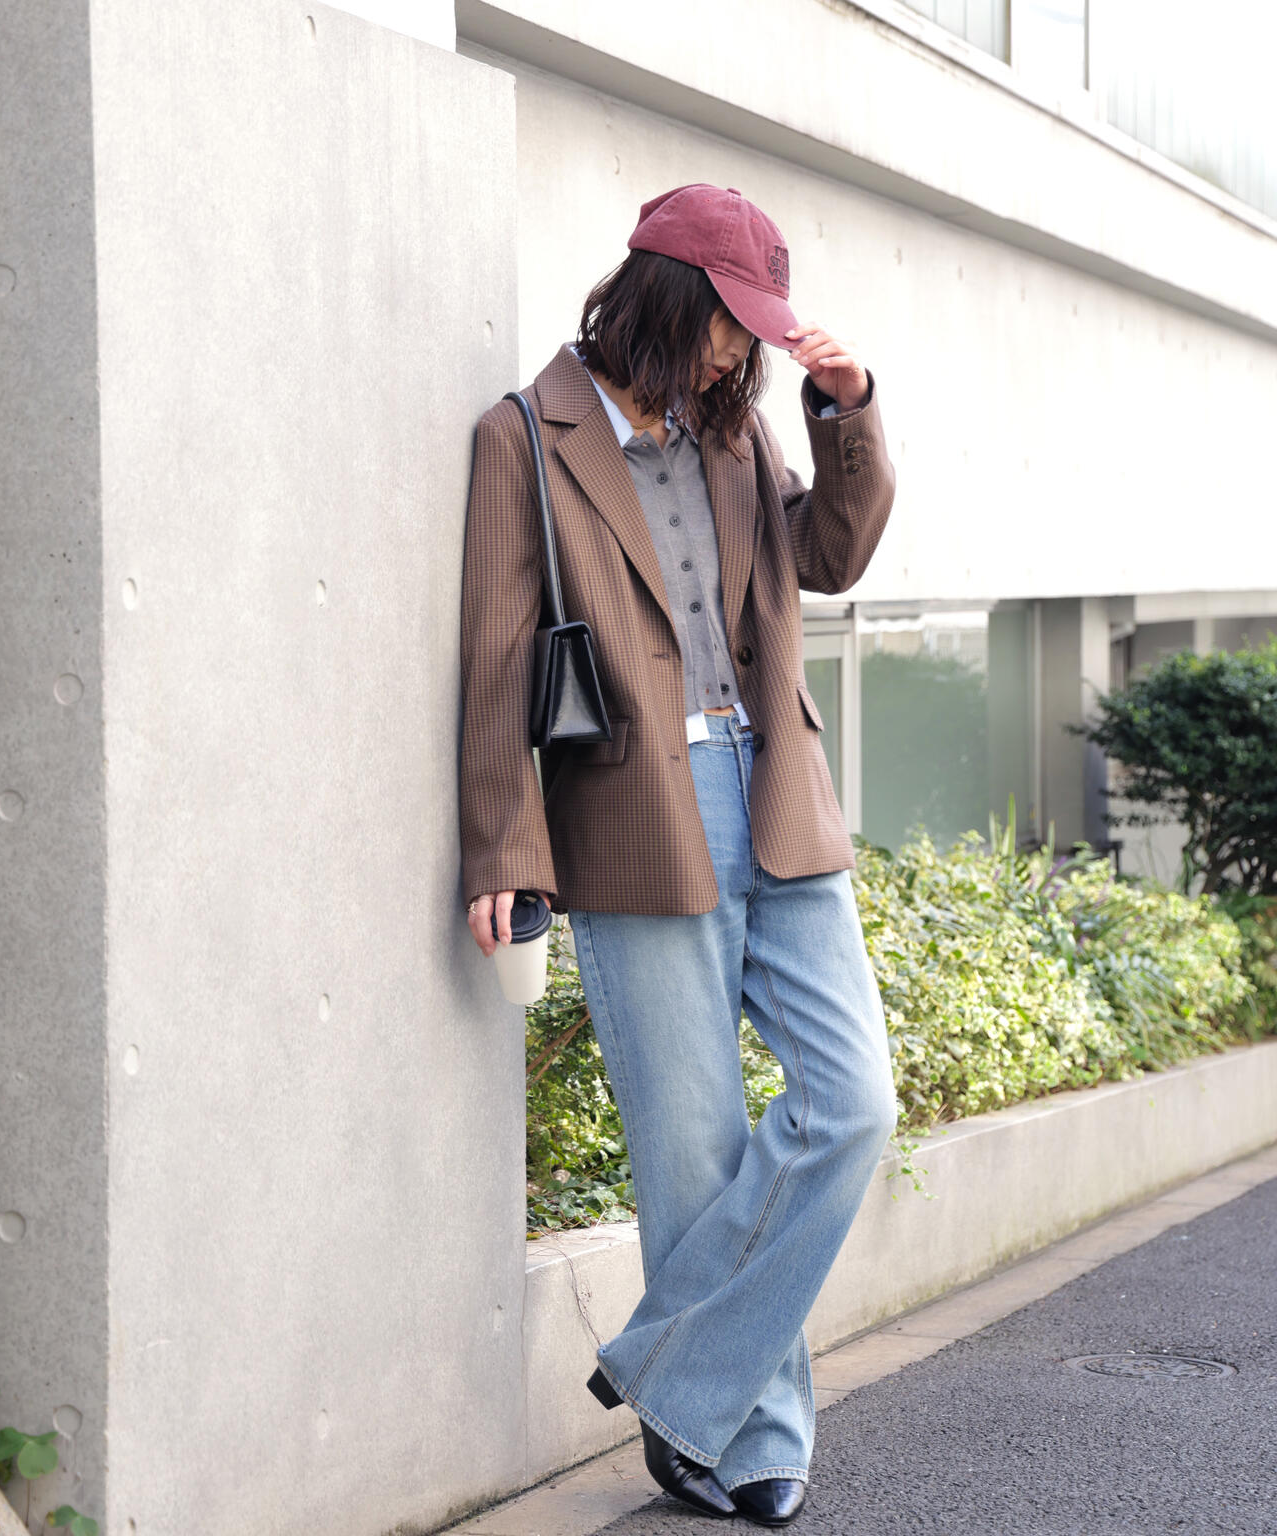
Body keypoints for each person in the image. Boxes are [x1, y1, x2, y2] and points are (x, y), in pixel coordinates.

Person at [459, 183, 897, 1528]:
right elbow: (496, 653)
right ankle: (747, 1440)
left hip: (778, 794)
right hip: (634, 807)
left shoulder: (740, 429)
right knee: (693, 1147)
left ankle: (669, 1380)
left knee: (855, 1100)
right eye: (726, 322)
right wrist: (504, 846)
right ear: (664, 294)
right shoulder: (528, 434)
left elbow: (831, 555)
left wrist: (846, 410)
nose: (736, 350)